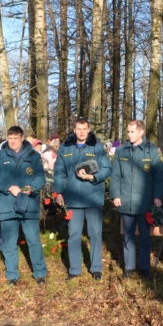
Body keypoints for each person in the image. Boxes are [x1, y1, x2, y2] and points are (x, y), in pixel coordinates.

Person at [53, 118, 112, 281]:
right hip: (73, 199)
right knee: (73, 235)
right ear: (74, 130)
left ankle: (96, 268)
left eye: (84, 129)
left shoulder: (97, 147)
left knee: (95, 234)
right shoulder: (65, 148)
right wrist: (58, 192)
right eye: (78, 129)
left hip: (93, 198)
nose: (81, 132)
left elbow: (107, 168)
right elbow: (59, 172)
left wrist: (94, 177)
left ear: (89, 130)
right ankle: (74, 269)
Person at [110, 120, 163, 279]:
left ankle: (145, 267)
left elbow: (160, 176)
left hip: (145, 203)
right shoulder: (121, 151)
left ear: (141, 132)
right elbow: (115, 175)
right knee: (128, 236)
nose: (129, 134)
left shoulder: (153, 151)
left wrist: (157, 196)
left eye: (132, 132)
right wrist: (116, 195)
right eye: (128, 131)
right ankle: (129, 267)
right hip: (126, 201)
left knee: (145, 237)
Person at [0, 126, 47, 286]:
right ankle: (12, 275)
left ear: (22, 138)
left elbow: (40, 176)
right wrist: (10, 187)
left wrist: (32, 187)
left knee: (33, 240)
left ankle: (40, 273)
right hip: (7, 203)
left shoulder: (33, 156)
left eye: (16, 138)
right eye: (10, 138)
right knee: (9, 242)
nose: (13, 141)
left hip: (29, 204)